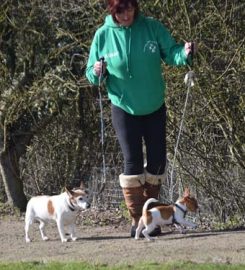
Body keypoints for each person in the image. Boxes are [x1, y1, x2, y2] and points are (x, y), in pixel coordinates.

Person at [86, 0, 196, 237]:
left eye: (129, 9)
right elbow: (91, 73)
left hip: (154, 105)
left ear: (136, 7)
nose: (126, 15)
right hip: (123, 107)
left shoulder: (152, 28)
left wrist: (184, 53)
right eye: (119, 11)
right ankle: (138, 221)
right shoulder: (103, 35)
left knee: (157, 162)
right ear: (112, 11)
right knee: (132, 163)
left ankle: (153, 218)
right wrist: (96, 71)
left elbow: (172, 53)